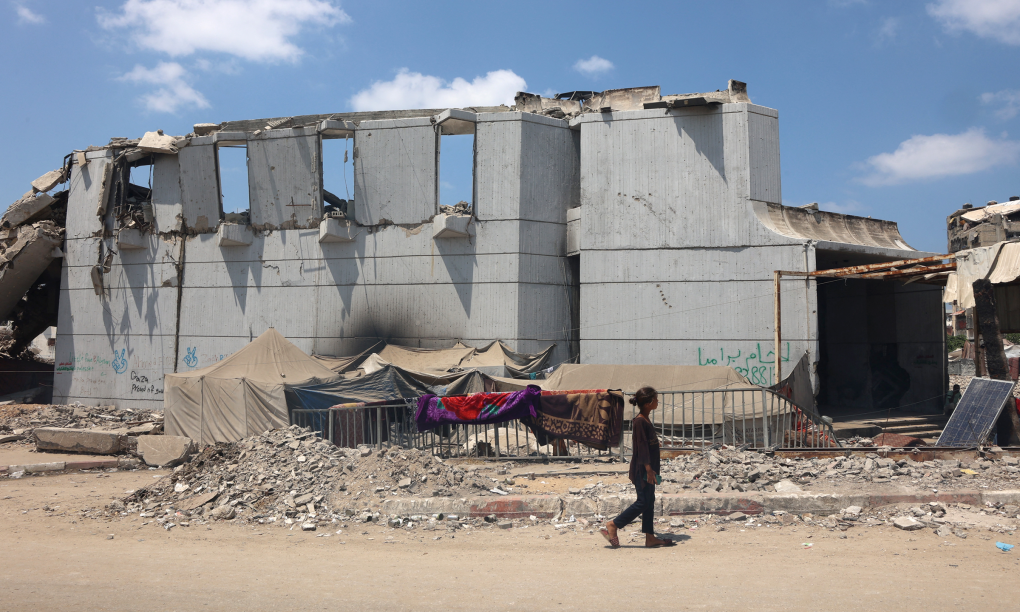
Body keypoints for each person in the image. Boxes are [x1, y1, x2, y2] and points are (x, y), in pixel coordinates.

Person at [600, 386, 675, 548]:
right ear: (648, 403)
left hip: (650, 469)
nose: (657, 402)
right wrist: (648, 469)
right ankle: (613, 525)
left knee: (649, 500)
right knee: (643, 501)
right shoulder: (640, 421)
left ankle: (650, 537)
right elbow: (642, 447)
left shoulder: (645, 419)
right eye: (655, 399)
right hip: (643, 469)